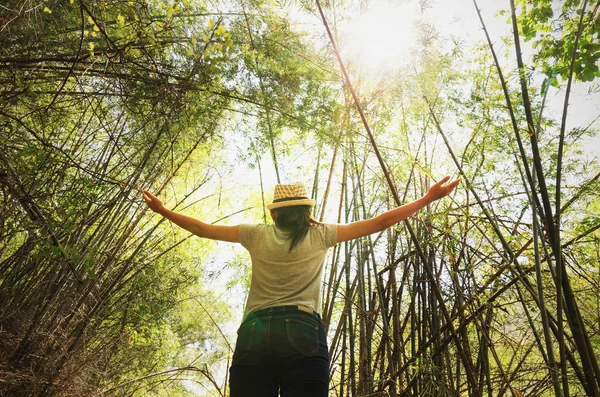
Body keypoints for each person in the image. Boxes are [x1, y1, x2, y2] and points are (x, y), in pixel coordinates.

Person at [141, 176, 459, 396]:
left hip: (256, 331)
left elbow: (202, 229)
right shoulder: (321, 234)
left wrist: (164, 211)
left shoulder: (255, 233)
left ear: (276, 212)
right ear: (306, 211)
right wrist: (427, 198)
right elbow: (379, 223)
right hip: (303, 330)